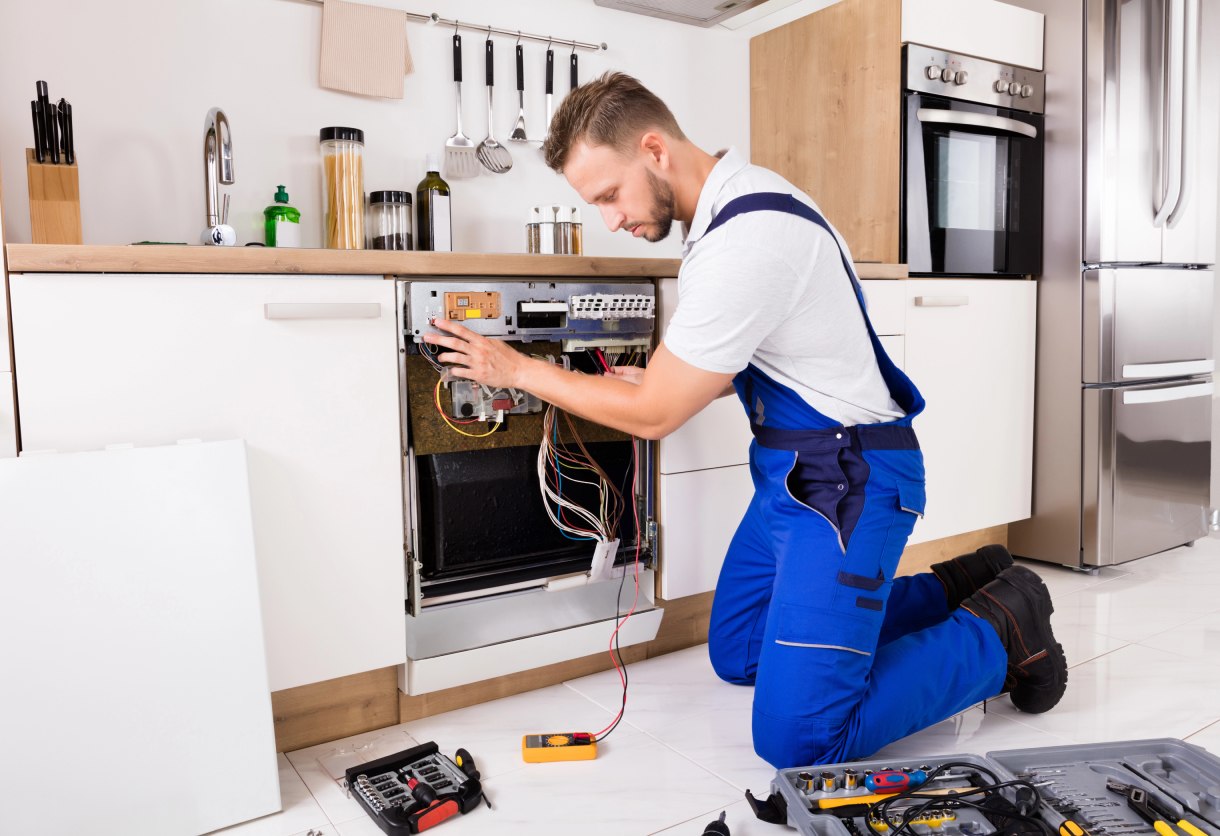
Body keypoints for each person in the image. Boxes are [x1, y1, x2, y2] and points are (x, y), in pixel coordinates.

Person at [423, 72, 1067, 769]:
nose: (611, 220)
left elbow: (654, 417)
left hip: (848, 484)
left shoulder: (747, 238)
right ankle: (962, 583)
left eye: (610, 195)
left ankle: (1004, 627)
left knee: (802, 740)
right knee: (738, 650)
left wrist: (517, 370)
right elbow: (750, 360)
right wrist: (665, 376)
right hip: (794, 477)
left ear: (654, 149)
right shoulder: (729, 213)